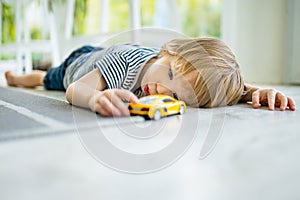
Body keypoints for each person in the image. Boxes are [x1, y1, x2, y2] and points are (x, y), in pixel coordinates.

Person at [4, 38, 296, 116]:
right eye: (169, 73)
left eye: (176, 96)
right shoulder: (125, 65)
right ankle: (18, 78)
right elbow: (75, 90)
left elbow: (219, 89)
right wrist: (95, 98)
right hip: (80, 64)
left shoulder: (181, 74)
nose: (160, 88)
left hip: (102, 60)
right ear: (167, 52)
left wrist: (253, 92)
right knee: (47, 78)